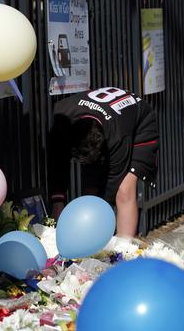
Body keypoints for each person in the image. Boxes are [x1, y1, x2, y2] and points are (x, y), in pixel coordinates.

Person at [49, 87, 159, 238]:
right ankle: (90, 241)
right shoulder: (61, 115)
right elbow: (57, 162)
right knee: (90, 191)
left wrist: (97, 216)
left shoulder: (118, 138)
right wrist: (58, 200)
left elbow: (111, 186)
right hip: (107, 119)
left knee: (124, 191)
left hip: (140, 122)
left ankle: (124, 249)